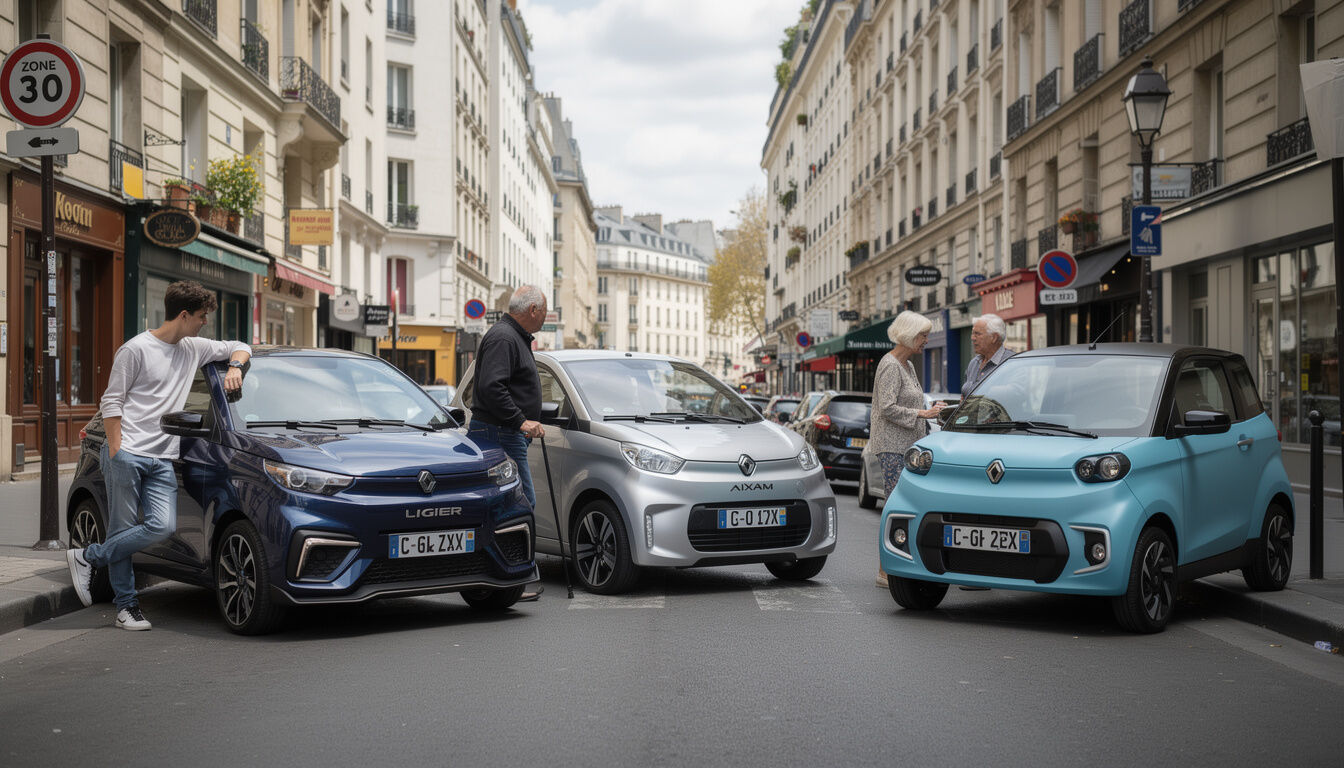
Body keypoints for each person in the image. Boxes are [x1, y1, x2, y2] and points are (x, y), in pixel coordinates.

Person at [66, 281, 251, 630]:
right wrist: (118, 449)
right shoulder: (135, 350)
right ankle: (126, 607)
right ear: (183, 315)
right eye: (201, 316)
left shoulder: (193, 348)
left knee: (162, 525)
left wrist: (236, 367)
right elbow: (112, 401)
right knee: (122, 527)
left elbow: (240, 346)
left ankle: (88, 556)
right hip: (128, 452)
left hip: (162, 456)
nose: (204, 323)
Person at [469, 285, 547, 601]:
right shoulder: (505, 337)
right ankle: (514, 577)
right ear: (532, 311)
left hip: (505, 432)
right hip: (501, 433)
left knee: (509, 505)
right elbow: (492, 388)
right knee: (519, 504)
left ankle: (503, 576)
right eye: (544, 310)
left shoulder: (512, 337)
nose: (545, 316)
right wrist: (521, 420)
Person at [866, 311, 945, 589]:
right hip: (891, 446)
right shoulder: (890, 365)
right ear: (910, 335)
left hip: (907, 446)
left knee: (902, 505)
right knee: (895, 506)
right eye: (923, 335)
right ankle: (885, 569)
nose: (926, 340)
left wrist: (932, 411)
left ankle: (896, 565)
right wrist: (923, 414)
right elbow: (886, 408)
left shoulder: (908, 366)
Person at [963, 313, 1014, 393]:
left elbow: (1017, 394)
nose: (972, 338)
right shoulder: (974, 363)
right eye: (973, 333)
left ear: (994, 338)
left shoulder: (1011, 362)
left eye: (977, 334)